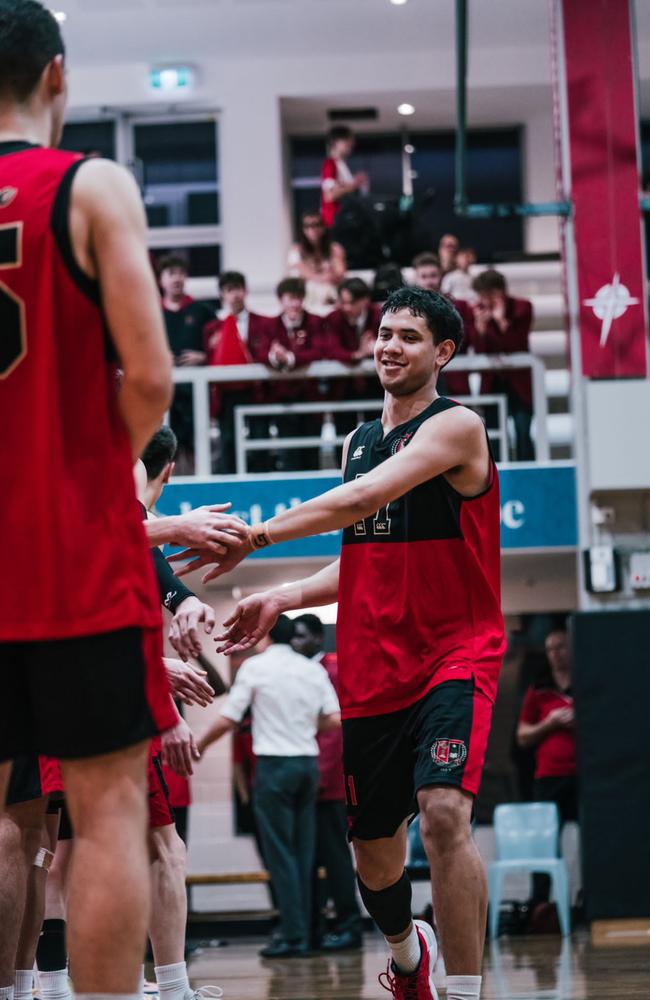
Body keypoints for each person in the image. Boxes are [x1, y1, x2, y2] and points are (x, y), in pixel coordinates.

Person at [175, 286, 506, 1000]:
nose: (390, 345)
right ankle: (407, 952)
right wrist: (282, 594)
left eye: (409, 336)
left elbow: (355, 503)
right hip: (372, 668)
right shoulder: (360, 441)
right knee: (374, 857)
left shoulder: (459, 428)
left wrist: (254, 536)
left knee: (445, 811)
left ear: (443, 352)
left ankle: (467, 989)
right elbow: (362, 546)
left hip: (455, 654)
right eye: (384, 333)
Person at [0, 6, 179, 1000]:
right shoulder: (89, 184)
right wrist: (91, 453)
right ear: (56, 76)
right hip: (72, 551)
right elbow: (149, 379)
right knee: (107, 810)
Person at [198, 616, 340, 959]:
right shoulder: (312, 670)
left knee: (280, 854)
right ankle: (307, 934)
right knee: (304, 853)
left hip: (275, 768)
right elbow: (335, 718)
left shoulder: (255, 668)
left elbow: (230, 717)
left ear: (266, 635)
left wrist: (198, 746)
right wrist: (303, 725)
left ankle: (293, 938)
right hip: (307, 765)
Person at [291, 615, 363, 953]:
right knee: (312, 858)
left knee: (334, 857)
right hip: (309, 778)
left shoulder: (330, 669)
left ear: (319, 638)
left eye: (302, 636)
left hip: (327, 781)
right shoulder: (303, 671)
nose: (296, 643)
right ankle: (317, 927)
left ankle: (349, 925)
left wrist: (320, 775)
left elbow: (335, 729)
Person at [516, 629, 577, 908]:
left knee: (595, 839)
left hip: (585, 777)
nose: (556, 654)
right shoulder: (538, 689)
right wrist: (550, 723)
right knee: (544, 845)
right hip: (548, 777)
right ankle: (540, 906)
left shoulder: (587, 682)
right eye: (550, 649)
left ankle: (591, 900)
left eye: (561, 647)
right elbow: (523, 735)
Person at [204, 271, 270, 474]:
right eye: (229, 290)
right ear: (222, 295)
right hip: (227, 394)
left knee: (260, 437)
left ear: (246, 291)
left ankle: (262, 481)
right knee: (228, 441)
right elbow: (209, 360)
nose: (234, 295)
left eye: (237, 289)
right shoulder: (212, 329)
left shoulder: (264, 322)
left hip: (256, 391)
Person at [471, 268, 534, 461]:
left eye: (487, 295)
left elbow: (516, 345)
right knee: (494, 437)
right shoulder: (481, 313)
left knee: (523, 433)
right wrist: (480, 330)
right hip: (493, 383)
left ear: (499, 292)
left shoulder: (522, 307)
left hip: (519, 383)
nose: (484, 300)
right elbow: (480, 352)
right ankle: (498, 478)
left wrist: (500, 321)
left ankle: (528, 477)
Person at [159, 254, 212, 470]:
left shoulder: (203, 312)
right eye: (172, 274)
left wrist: (205, 357)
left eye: (181, 273)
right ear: (161, 279)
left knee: (198, 447)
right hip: (163, 397)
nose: (177, 279)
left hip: (195, 397)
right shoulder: (151, 313)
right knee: (164, 450)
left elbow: (220, 348)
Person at [287, 211, 347, 310]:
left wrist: (312, 275)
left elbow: (339, 274)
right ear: (303, 230)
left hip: (330, 295)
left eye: (316, 225)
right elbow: (296, 275)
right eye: (307, 226)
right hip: (306, 295)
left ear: (323, 228)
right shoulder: (296, 250)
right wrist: (322, 277)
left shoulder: (334, 249)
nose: (312, 229)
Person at [320, 125, 368, 229]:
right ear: (335, 142)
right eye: (347, 141)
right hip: (335, 223)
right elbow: (329, 195)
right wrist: (354, 185)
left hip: (344, 220)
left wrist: (352, 184)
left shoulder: (340, 164)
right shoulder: (330, 164)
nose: (351, 144)